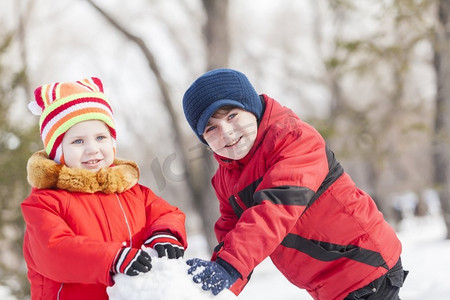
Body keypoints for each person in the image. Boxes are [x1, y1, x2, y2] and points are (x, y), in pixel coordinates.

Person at [182, 68, 408, 300]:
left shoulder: (293, 137)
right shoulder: (225, 177)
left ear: (252, 109)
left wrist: (229, 266)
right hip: (328, 282)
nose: (226, 133)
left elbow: (276, 208)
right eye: (211, 128)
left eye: (232, 116)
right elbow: (233, 233)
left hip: (362, 263)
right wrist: (215, 281)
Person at [22, 77, 187, 300]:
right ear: (57, 152)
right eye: (78, 141)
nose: (93, 149)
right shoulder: (45, 202)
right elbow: (53, 250)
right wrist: (112, 258)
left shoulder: (133, 192)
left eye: (100, 137)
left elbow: (166, 214)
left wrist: (165, 235)